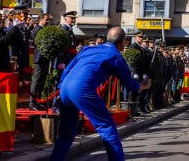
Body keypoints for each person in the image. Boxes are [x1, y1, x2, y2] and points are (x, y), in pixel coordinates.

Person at [50, 27, 150, 161]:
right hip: (82, 90)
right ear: (122, 43)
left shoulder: (88, 49)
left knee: (66, 132)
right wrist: (142, 86)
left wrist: (61, 88)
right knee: (107, 128)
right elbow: (128, 83)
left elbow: (68, 69)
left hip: (65, 89)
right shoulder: (115, 56)